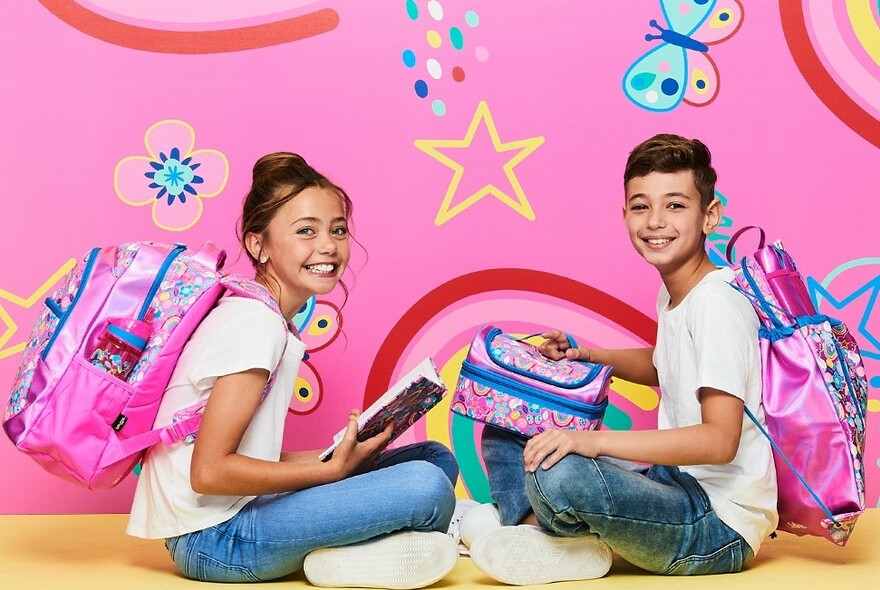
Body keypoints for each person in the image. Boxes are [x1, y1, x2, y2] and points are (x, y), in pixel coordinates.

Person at [127, 152, 460, 588]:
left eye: (337, 230)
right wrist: (329, 471)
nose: (328, 246)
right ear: (257, 244)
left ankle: (358, 549)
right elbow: (208, 472)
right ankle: (376, 549)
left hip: (238, 510)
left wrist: (337, 456)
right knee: (427, 487)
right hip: (214, 540)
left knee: (433, 458)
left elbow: (247, 459)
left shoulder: (263, 316)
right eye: (306, 231)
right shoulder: (253, 324)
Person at [464, 134, 778, 584]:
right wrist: (587, 356)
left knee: (564, 472)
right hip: (675, 484)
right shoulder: (678, 293)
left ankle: (532, 534)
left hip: (717, 524)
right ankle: (540, 536)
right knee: (511, 424)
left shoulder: (717, 303)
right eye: (640, 206)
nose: (655, 222)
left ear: (710, 216)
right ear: (625, 214)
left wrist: (591, 442)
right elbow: (668, 365)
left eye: (675, 205)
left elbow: (719, 440)